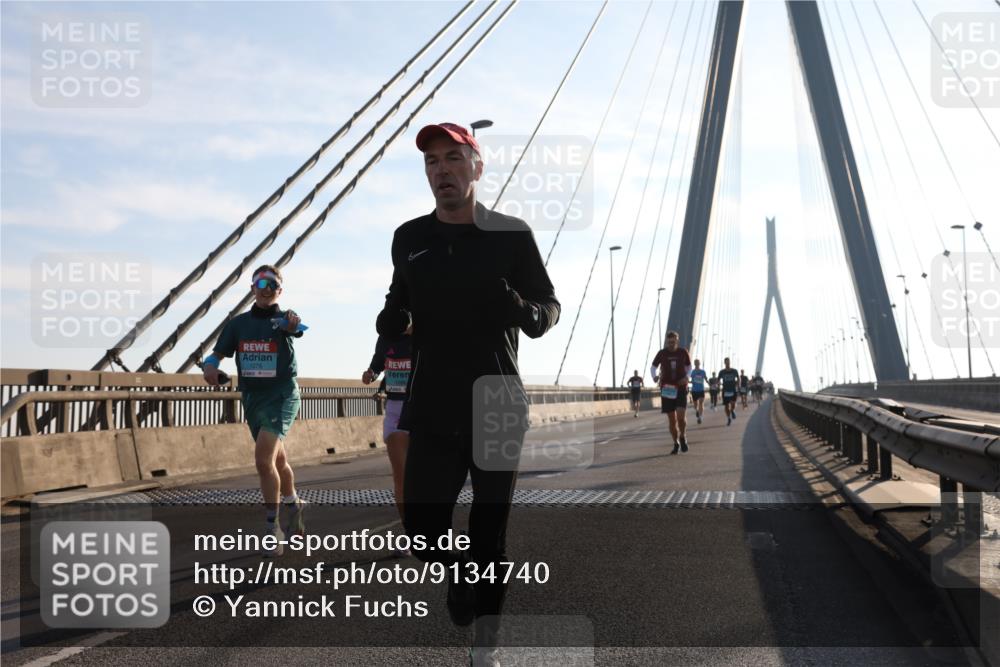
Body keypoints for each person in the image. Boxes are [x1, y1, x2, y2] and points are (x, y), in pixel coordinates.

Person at [376, 122, 560, 665]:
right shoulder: (409, 238)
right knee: (423, 529)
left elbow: (548, 306)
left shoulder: (511, 235)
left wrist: (523, 311)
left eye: (454, 158)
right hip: (432, 402)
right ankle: (459, 575)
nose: (442, 170)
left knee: (489, 533)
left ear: (476, 168)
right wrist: (394, 315)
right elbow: (398, 298)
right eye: (432, 162)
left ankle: (486, 647)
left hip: (498, 403)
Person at [203, 265, 306, 557]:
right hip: (253, 399)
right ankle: (294, 504)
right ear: (252, 287)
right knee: (278, 460)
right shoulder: (238, 325)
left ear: (279, 291)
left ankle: (272, 528)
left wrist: (290, 326)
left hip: (282, 395)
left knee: (263, 460)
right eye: (260, 282)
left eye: (272, 284)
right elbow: (217, 352)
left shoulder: (285, 318)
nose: (266, 287)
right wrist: (210, 366)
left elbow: (296, 327)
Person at [362, 327, 413, 557]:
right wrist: (371, 374)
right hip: (394, 411)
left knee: (424, 478)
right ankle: (411, 534)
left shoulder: (429, 330)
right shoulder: (387, 336)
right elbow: (377, 364)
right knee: (401, 479)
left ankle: (433, 528)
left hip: (423, 410)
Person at [650, 331, 692, 454]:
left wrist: (687, 377)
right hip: (667, 389)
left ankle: (683, 436)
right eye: (669, 342)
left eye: (673, 342)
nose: (671, 344)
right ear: (666, 342)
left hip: (680, 387)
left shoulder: (683, 352)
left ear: (677, 341)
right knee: (672, 421)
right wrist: (654, 377)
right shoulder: (662, 353)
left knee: (681, 418)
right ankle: (675, 443)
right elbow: (653, 367)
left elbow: (689, 367)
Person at [718, 358, 740, 426]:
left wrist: (738, 384)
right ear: (724, 363)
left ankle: (732, 410)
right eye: (726, 362)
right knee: (726, 406)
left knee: (733, 404)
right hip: (725, 390)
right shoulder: (722, 372)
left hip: (733, 390)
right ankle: (728, 418)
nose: (727, 363)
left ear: (730, 362)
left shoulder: (734, 371)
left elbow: (738, 378)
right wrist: (718, 385)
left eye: (728, 362)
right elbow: (718, 380)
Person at [689, 359, 707, 424]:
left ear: (699, 363)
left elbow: (705, 379)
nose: (697, 363)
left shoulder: (703, 372)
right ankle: (696, 411)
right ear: (694, 364)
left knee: (701, 403)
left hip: (701, 389)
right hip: (694, 390)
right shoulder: (692, 372)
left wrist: (710, 384)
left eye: (698, 362)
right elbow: (691, 380)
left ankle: (700, 417)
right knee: (695, 404)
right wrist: (688, 382)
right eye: (695, 362)